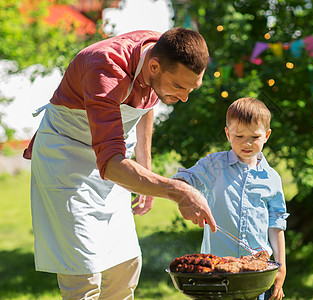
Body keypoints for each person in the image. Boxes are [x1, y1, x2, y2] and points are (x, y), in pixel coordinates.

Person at [23, 27, 217, 299]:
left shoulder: (160, 53)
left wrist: (145, 171)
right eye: (179, 87)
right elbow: (112, 165)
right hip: (66, 160)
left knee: (125, 267)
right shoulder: (104, 68)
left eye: (192, 88)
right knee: (84, 275)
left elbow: (148, 100)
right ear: (153, 66)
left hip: (113, 157)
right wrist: (179, 191)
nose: (184, 98)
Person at [172, 97, 288, 300]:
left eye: (255, 136)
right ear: (228, 133)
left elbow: (276, 225)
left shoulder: (272, 179)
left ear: (267, 135)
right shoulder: (214, 165)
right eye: (239, 135)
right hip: (215, 272)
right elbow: (186, 179)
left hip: (255, 274)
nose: (247, 143)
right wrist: (181, 189)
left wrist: (281, 267)